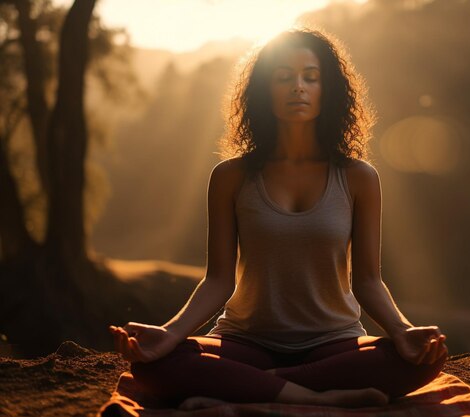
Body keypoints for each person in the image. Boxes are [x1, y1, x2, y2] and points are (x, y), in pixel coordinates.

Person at [109, 28, 448, 409]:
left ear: (327, 89)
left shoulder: (358, 177)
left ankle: (248, 388)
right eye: (283, 77)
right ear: (264, 92)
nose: (297, 87)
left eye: (310, 76)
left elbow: (369, 280)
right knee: (156, 366)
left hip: (334, 342)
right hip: (246, 340)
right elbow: (218, 280)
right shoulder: (230, 176)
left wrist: (402, 331)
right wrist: (169, 335)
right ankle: (317, 398)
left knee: (420, 361)